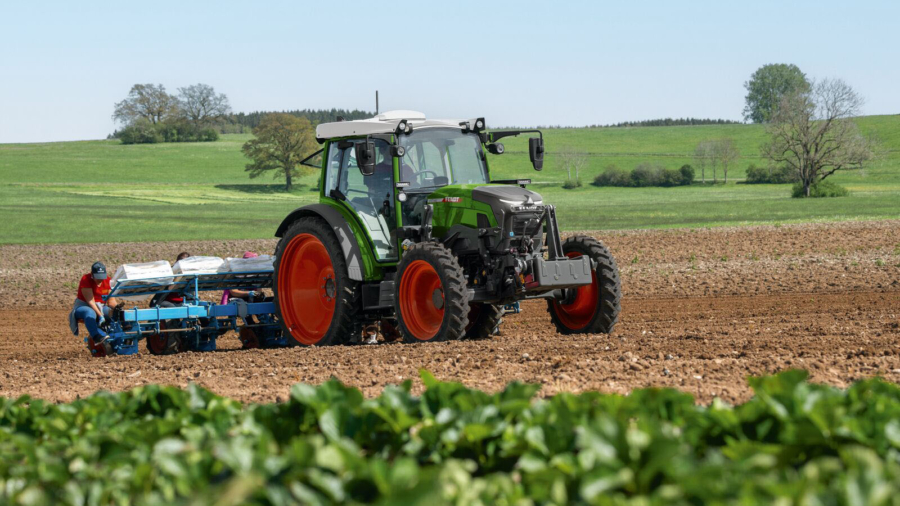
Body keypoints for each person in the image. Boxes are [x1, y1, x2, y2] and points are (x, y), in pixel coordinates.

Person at [69, 261, 118, 343]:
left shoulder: (108, 281)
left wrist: (118, 309)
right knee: (90, 312)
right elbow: (90, 301)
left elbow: (111, 301)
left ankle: (118, 332)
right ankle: (96, 336)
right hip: (84, 306)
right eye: (98, 277)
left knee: (112, 312)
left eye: (102, 277)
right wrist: (101, 316)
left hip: (101, 306)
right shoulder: (86, 279)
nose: (100, 280)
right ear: (92, 274)